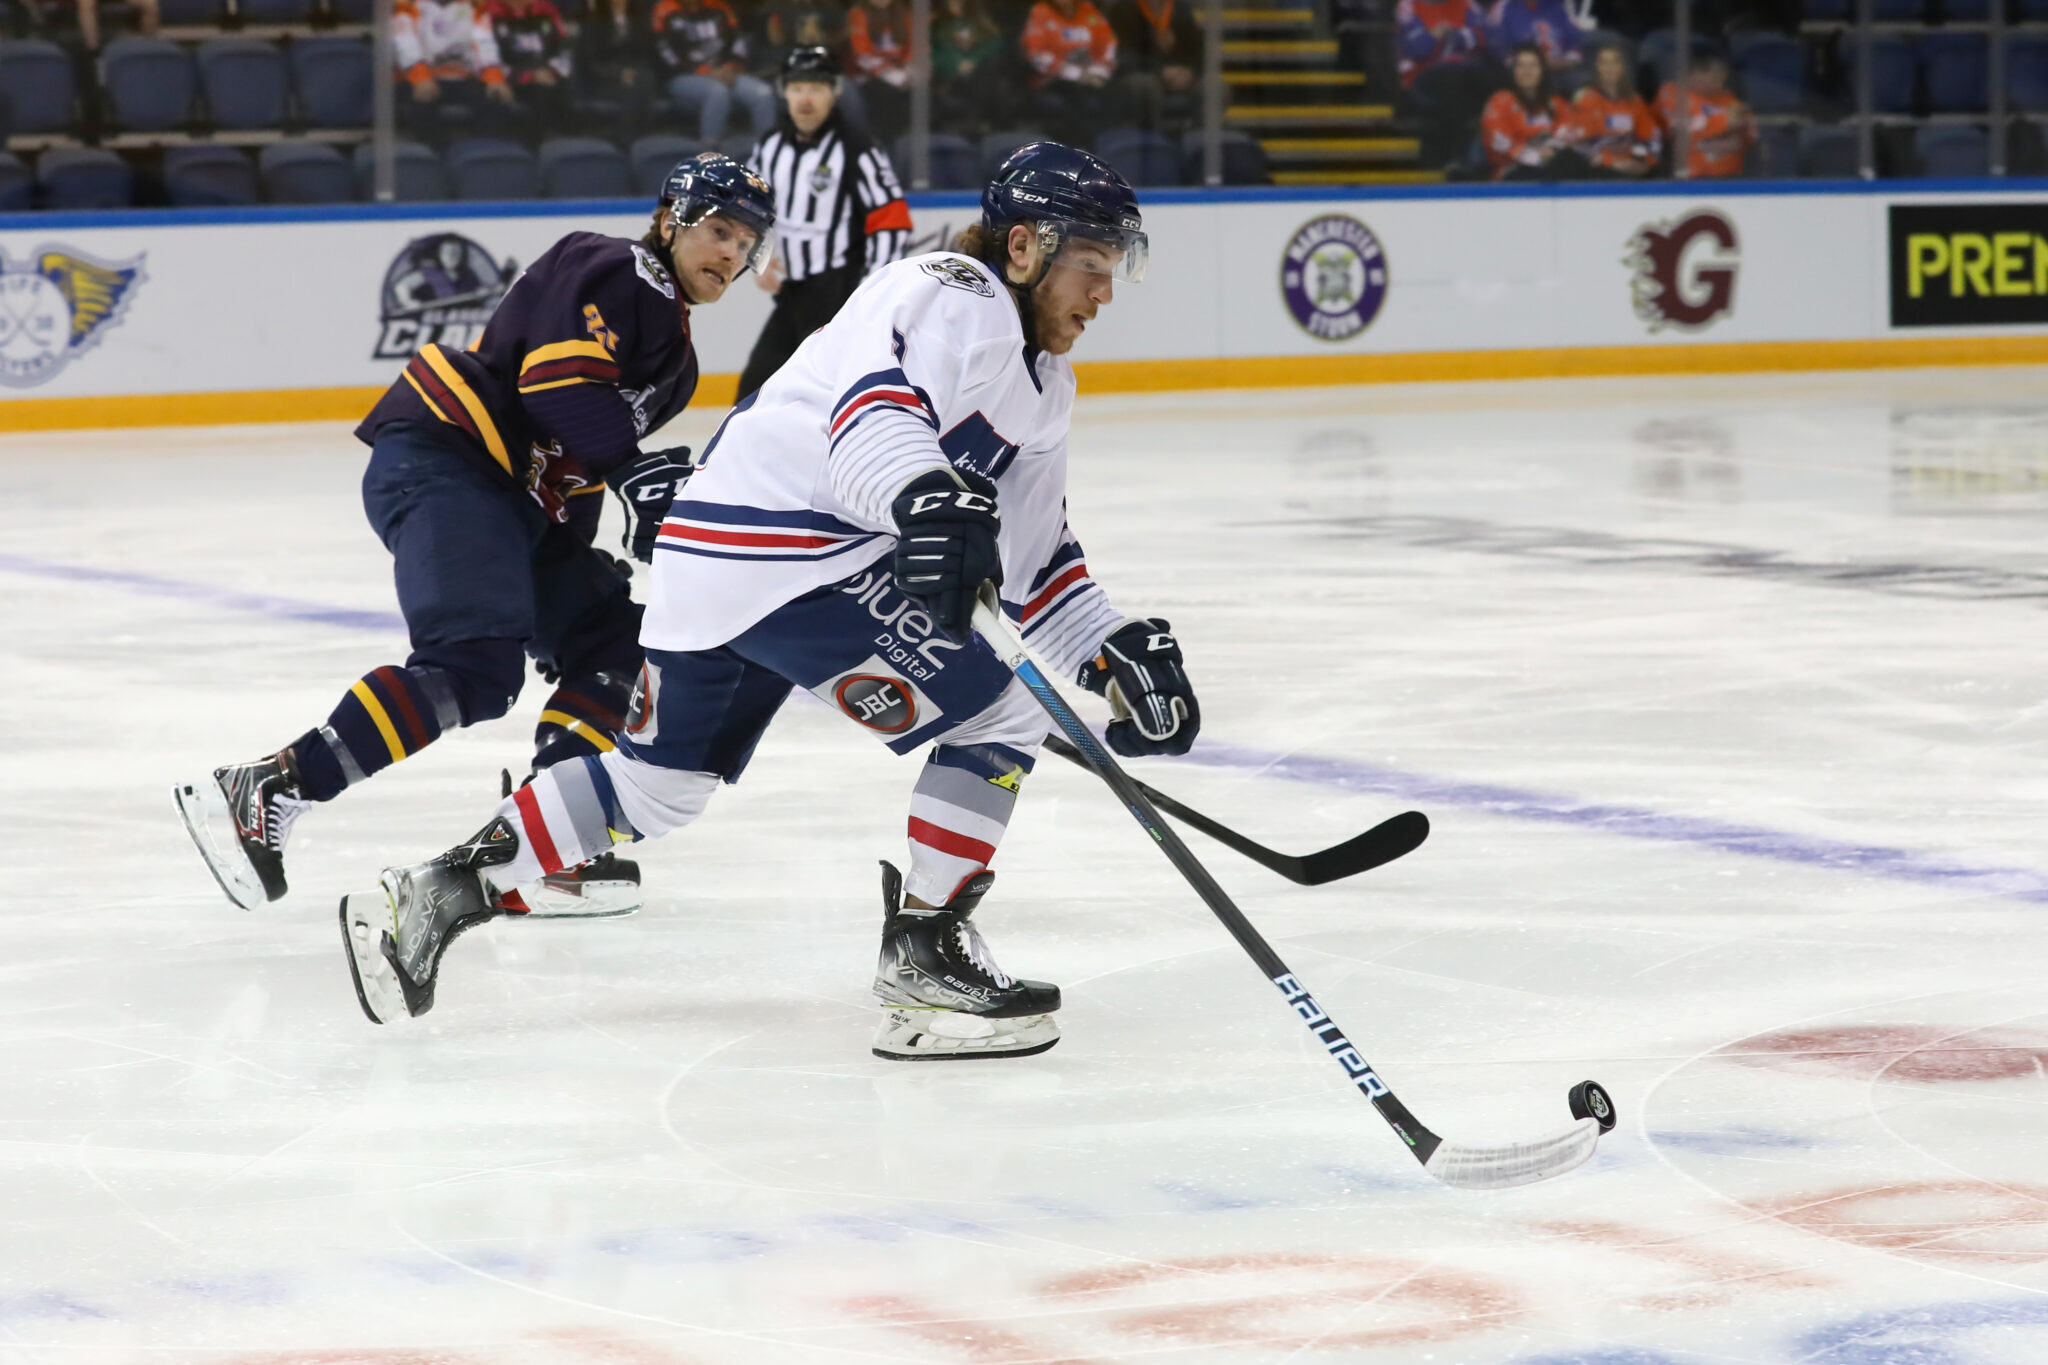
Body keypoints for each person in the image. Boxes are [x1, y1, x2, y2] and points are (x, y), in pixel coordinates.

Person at [338, 143, 1202, 1067]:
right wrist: (921, 497)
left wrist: (1109, 649)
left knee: (656, 788)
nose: (1105, 293)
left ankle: (434, 890)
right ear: (1025, 247)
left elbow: (1038, 565)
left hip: (715, 561)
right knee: (1002, 708)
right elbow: (872, 417)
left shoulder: (1042, 384)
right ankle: (924, 960)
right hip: (787, 551)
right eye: (1093, 266)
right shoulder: (957, 292)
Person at [176, 154, 778, 919]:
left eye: (745, 240)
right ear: (669, 221)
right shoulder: (612, 266)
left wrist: (592, 547)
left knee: (619, 643)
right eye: (718, 229)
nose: (731, 251)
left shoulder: (679, 364)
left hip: (517, 504)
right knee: (474, 664)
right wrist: (636, 473)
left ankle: (550, 841)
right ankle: (270, 786)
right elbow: (555, 386)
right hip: (449, 458)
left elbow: (575, 464)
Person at [739, 45, 911, 401]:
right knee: (751, 392)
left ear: (834, 92)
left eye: (816, 88)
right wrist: (760, 257)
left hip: (839, 294)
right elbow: (751, 210)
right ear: (784, 91)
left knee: (825, 398)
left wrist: (870, 296)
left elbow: (892, 220)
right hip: (793, 293)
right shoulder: (770, 147)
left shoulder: (855, 148)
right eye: (798, 87)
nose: (806, 98)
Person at [394, 0, 530, 142]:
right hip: (419, 78)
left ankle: (480, 155)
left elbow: (485, 43)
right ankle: (431, 157)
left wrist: (495, 79)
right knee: (420, 107)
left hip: (464, 77)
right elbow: (405, 42)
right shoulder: (407, 5)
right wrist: (420, 78)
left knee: (495, 101)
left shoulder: (474, 5)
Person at [653, 0, 776, 143]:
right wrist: (707, 71)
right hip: (684, 75)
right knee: (717, 92)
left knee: (763, 93)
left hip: (725, 73)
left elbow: (737, 42)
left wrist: (732, 66)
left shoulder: (719, 7)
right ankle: (710, 153)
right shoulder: (665, 9)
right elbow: (666, 53)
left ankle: (767, 151)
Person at [1022, 0, 1119, 143]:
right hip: (1052, 81)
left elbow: (1108, 47)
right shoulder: (1041, 12)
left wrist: (1097, 72)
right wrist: (1077, 74)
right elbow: (1037, 55)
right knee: (1078, 98)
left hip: (1092, 78)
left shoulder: (1089, 10)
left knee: (1110, 94)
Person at [1655, 49, 1756, 179]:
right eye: (1713, 76)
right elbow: (1681, 131)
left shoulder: (1730, 99)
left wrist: (1705, 140)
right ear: (1692, 74)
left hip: (1730, 178)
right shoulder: (1671, 93)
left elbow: (1750, 134)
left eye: (1722, 76)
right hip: (1689, 178)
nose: (1720, 81)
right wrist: (1724, 122)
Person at [1106, 0, 1203, 135]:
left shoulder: (1181, 9)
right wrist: (1160, 72)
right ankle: (1154, 141)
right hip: (1142, 72)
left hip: (1182, 74)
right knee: (1146, 85)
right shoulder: (1124, 10)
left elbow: (1198, 50)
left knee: (1214, 86)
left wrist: (1189, 72)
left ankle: (1199, 139)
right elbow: (1124, 55)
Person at [1479, 43, 1574, 179]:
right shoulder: (1500, 102)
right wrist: (1532, 156)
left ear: (1542, 71)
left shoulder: (1556, 103)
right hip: (1512, 174)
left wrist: (1552, 150)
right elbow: (1497, 140)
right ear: (1513, 71)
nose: (1526, 71)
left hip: (1552, 169)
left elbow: (1567, 132)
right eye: (1521, 65)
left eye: (1533, 65)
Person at [1568, 42, 1658, 176]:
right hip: (1597, 173)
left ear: (1622, 67)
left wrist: (1639, 161)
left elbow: (1650, 139)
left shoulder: (1635, 101)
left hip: (1634, 171)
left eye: (1615, 62)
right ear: (1597, 67)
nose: (1609, 68)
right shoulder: (1585, 99)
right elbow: (1577, 144)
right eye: (1604, 62)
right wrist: (1611, 162)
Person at [572, 0, 656, 136]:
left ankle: (646, 137)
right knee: (633, 88)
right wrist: (619, 74)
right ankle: (627, 138)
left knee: (646, 81)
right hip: (604, 81)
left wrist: (636, 72)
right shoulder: (594, 22)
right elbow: (592, 63)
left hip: (636, 76)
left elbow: (644, 55)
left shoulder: (638, 20)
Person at [487, 0, 574, 128]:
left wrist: (553, 71)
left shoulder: (547, 10)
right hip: (508, 85)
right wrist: (527, 76)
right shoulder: (487, 11)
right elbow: (485, 61)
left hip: (547, 84)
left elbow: (564, 52)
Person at [934, 0, 1009, 135]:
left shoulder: (979, 22)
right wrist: (955, 63)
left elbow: (994, 44)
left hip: (977, 74)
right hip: (946, 75)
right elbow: (931, 51)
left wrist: (973, 60)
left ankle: (985, 125)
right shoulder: (937, 24)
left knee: (989, 78)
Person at [847, 0, 914, 141]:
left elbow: (912, 48)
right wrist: (886, 73)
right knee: (885, 97)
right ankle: (885, 143)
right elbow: (861, 55)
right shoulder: (858, 14)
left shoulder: (904, 13)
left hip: (901, 73)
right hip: (867, 76)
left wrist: (909, 70)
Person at [1485, 0, 1581, 75]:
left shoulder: (1558, 6)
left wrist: (1563, 62)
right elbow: (1497, 50)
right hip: (1518, 73)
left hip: (1559, 72)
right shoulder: (1504, 7)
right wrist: (1527, 65)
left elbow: (1575, 47)